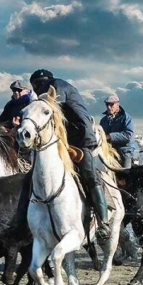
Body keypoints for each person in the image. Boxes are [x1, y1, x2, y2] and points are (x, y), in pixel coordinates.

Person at [29, 69, 112, 239]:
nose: (37, 91)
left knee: (89, 175)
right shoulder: (55, 87)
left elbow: (53, 111)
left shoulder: (57, 87)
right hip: (63, 140)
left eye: (36, 87)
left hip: (81, 138)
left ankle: (104, 222)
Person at [100, 94, 136, 169]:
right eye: (107, 105)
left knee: (126, 174)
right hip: (109, 152)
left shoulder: (126, 118)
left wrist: (109, 136)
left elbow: (127, 135)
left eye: (111, 104)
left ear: (117, 104)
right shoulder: (103, 120)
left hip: (125, 152)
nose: (109, 107)